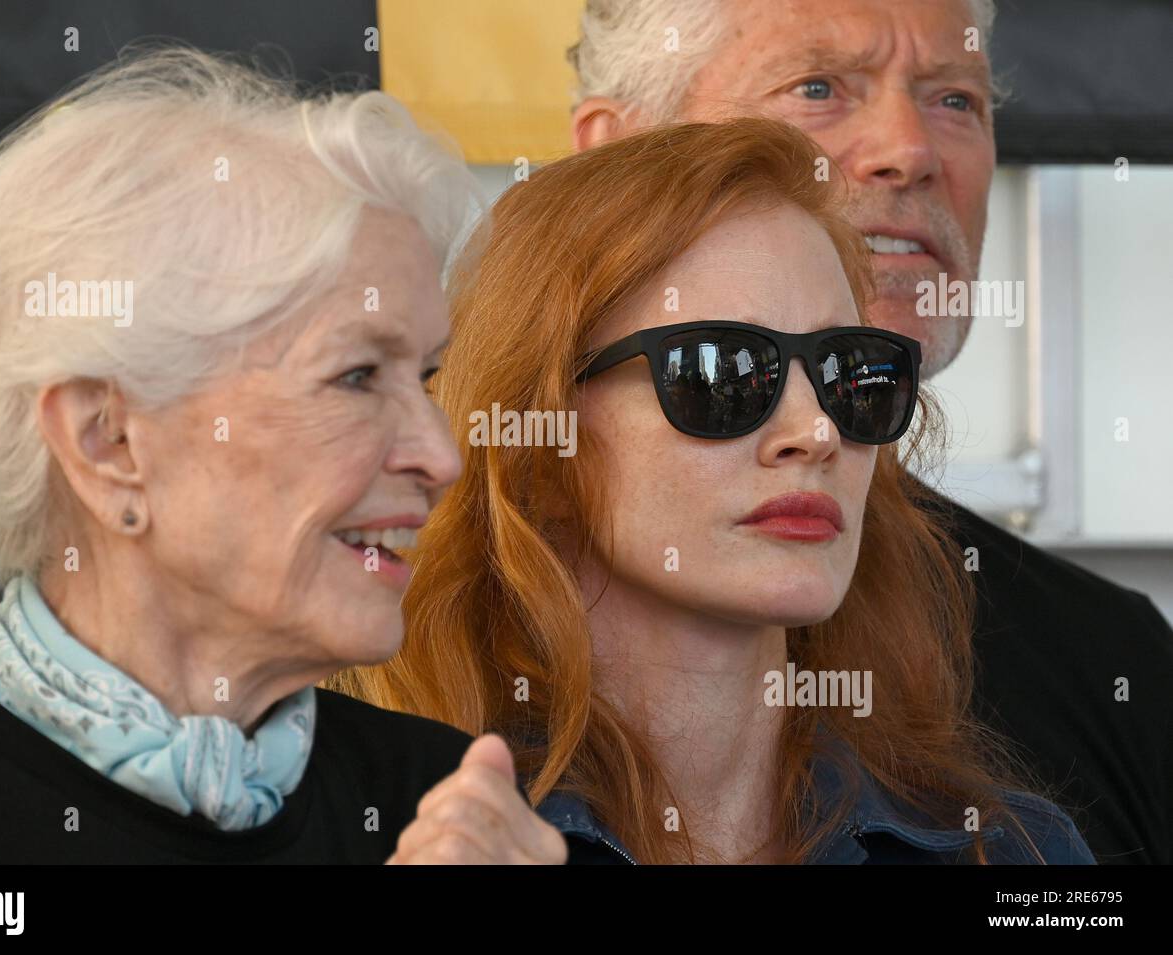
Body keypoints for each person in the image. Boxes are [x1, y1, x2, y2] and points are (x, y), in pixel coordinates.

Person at [335, 115, 1095, 864]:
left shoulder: (1016, 855)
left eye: (849, 373)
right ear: (542, 450)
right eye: (722, 370)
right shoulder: (382, 834)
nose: (817, 431)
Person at [0, 47, 566, 865]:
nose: (440, 456)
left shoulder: (446, 800)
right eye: (355, 377)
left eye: (424, 378)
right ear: (110, 441)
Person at [565, 0, 1173, 864]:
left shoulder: (1115, 665)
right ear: (613, 158)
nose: (912, 150)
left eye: (954, 100)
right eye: (818, 87)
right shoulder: (372, 652)